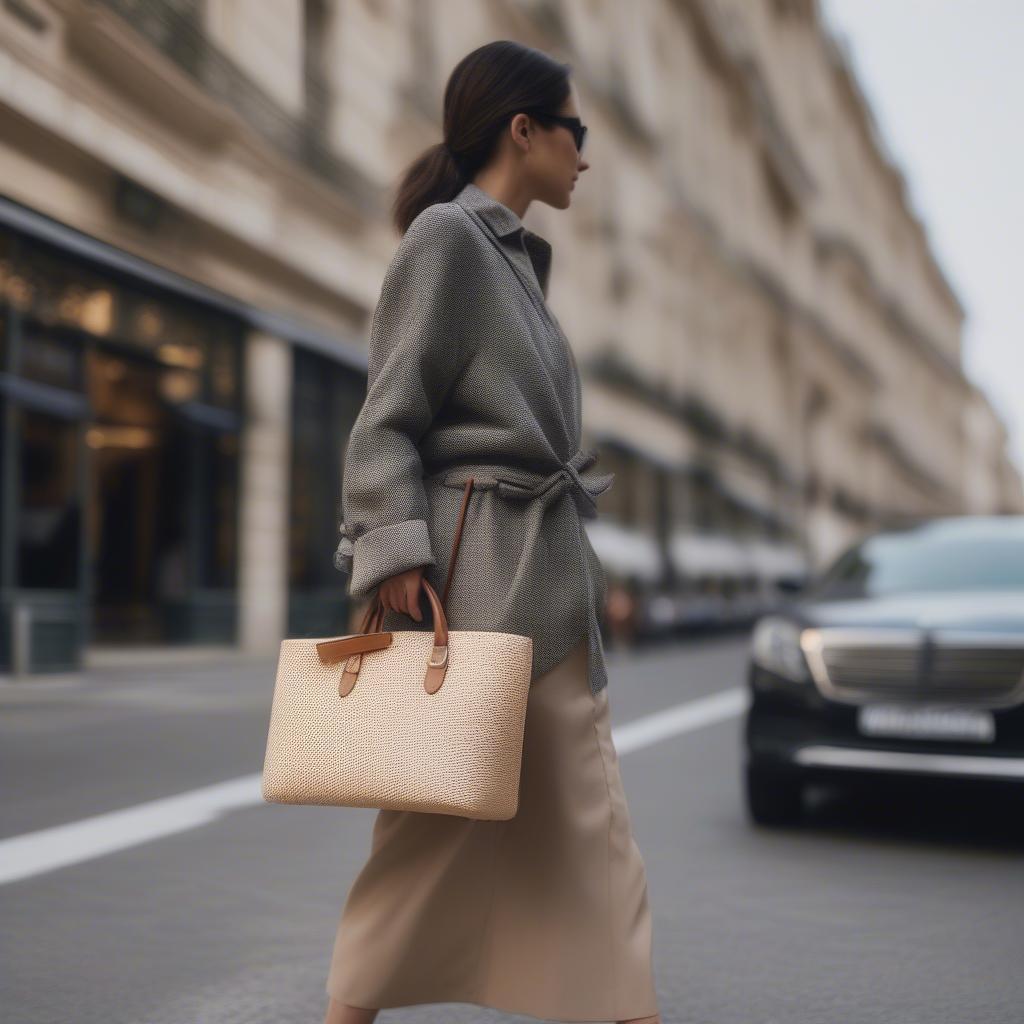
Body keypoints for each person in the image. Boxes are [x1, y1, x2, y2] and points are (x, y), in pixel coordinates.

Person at [325, 39, 661, 1024]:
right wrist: (393, 557)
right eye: (576, 131)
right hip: (480, 575)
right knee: (441, 821)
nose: (585, 156)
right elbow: (387, 415)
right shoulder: (448, 239)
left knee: (574, 825)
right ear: (525, 130)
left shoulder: (514, 259)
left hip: (538, 564)